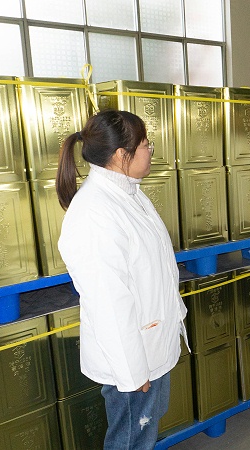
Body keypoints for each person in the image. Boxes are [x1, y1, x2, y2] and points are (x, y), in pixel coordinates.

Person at [57, 110, 188, 450]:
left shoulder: (129, 193)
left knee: (143, 433)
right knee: (130, 439)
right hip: (133, 360)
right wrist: (133, 374)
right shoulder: (95, 213)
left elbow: (154, 269)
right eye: (146, 145)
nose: (151, 151)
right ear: (120, 155)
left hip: (150, 345)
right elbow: (108, 302)